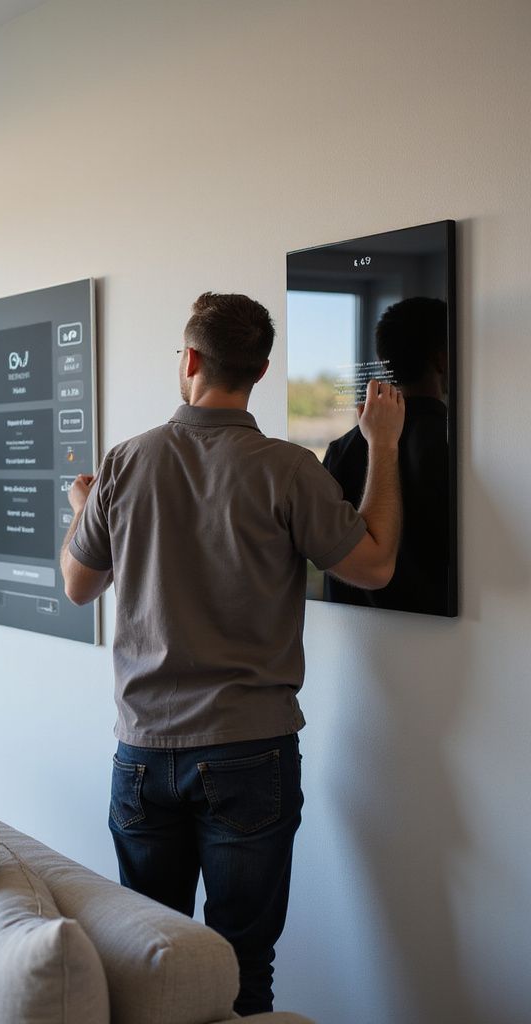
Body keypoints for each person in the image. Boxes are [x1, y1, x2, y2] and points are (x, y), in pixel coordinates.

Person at [59, 291, 405, 1015]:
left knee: (147, 954)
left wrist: (83, 513)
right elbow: (374, 565)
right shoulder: (288, 469)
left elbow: (78, 585)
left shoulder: (127, 461)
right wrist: (382, 445)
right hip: (253, 753)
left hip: (144, 753)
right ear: (262, 370)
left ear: (189, 360)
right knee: (244, 966)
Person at [322, 297, 450, 614]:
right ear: (442, 359)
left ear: (382, 360)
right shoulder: (456, 443)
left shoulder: (342, 448)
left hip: (356, 636)